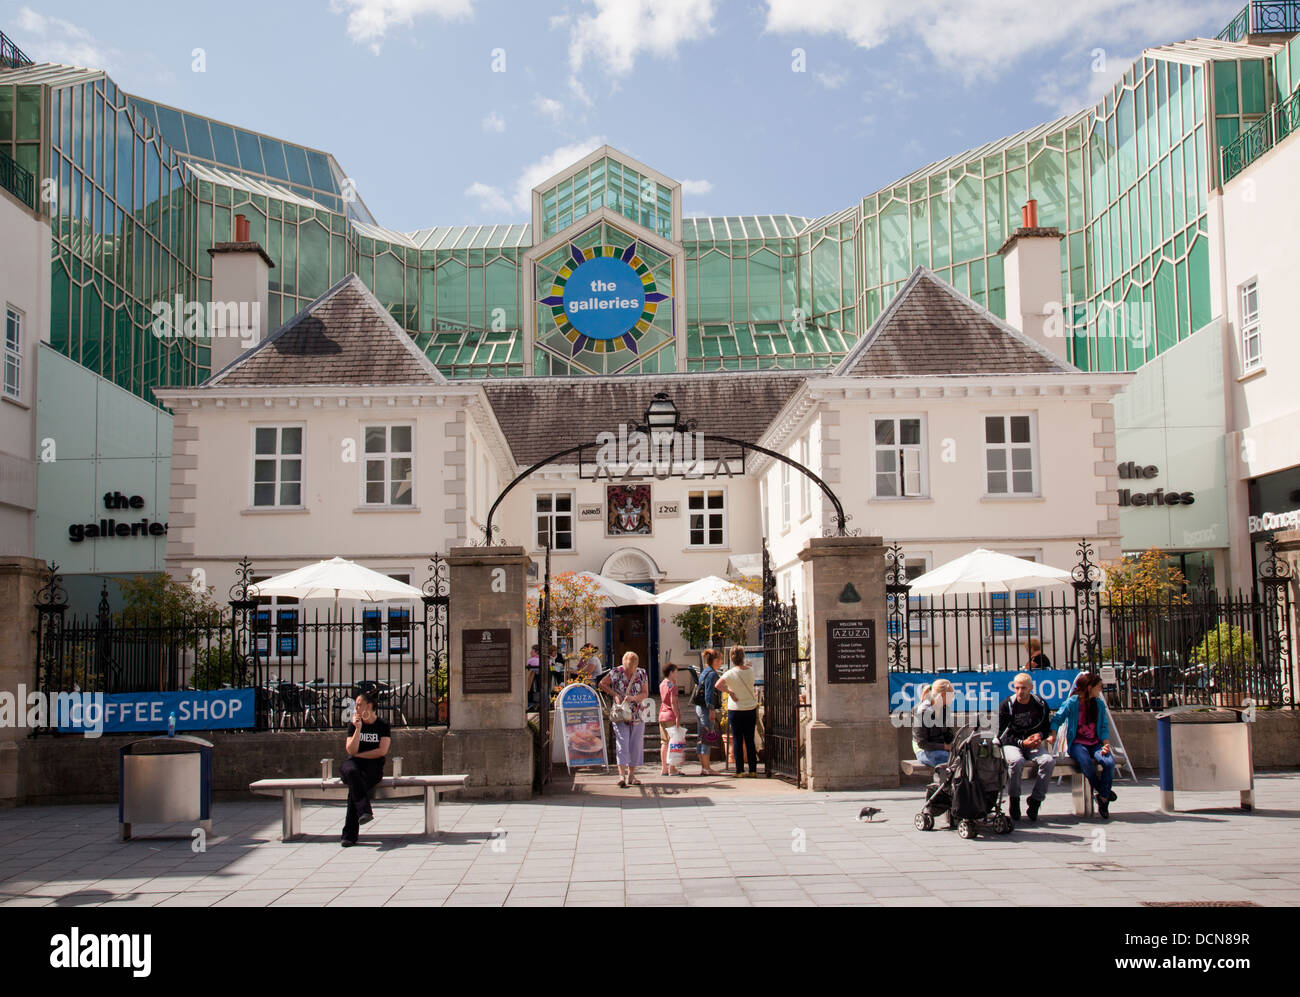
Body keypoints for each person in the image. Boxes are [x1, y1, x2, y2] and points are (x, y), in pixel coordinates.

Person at [1051, 672, 1117, 819]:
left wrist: (1106, 745)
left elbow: (1104, 727)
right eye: (1098, 687)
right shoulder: (1072, 702)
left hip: (1095, 743)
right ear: (1089, 687)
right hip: (1077, 743)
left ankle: (1103, 797)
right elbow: (1057, 719)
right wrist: (1053, 734)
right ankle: (1104, 792)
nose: (1100, 690)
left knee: (1109, 762)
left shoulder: (1098, 704)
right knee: (1085, 761)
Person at [998, 672, 1056, 822]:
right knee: (1017, 762)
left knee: (1048, 761)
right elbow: (1001, 735)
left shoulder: (1040, 704)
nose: (1020, 692)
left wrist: (1039, 736)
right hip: (1013, 744)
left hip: (1032, 744)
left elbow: (1045, 728)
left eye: (1023, 688)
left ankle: (1036, 800)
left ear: (1031, 688)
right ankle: (1015, 799)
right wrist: (1021, 743)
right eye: (1017, 688)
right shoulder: (1007, 705)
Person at [340, 685, 391, 847]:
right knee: (353, 773)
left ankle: (349, 835)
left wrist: (360, 755)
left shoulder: (382, 725)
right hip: (353, 764)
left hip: (373, 766)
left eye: (359, 704)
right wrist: (358, 729)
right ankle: (364, 811)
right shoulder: (354, 724)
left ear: (369, 706)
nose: (356, 708)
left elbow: (381, 751)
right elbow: (350, 750)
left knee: (356, 787)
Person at [600, 651, 649, 788]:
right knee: (622, 743)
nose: (629, 671)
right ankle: (621, 775)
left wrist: (633, 698)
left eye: (631, 668)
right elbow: (602, 684)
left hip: (637, 714)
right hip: (621, 714)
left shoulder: (642, 673)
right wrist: (615, 694)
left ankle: (631, 775)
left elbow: (645, 693)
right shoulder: (615, 672)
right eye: (627, 668)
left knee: (635, 745)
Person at [716, 647, 759, 778]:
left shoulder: (729, 673)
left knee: (737, 739)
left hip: (735, 709)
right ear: (743, 657)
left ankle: (739, 770)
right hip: (750, 708)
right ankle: (753, 770)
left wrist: (729, 692)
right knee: (750, 739)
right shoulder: (751, 671)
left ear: (731, 658)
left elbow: (718, 685)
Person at [912, 678, 954, 767]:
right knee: (949, 759)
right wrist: (945, 747)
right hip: (924, 751)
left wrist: (954, 743)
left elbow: (948, 735)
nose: (953, 697)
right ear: (942, 695)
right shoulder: (923, 712)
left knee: (964, 755)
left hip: (940, 748)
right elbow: (922, 743)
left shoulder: (945, 710)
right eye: (952, 694)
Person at [694, 649, 721, 776]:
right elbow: (709, 693)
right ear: (714, 660)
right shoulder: (712, 674)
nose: (720, 662)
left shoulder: (705, 671)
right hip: (705, 708)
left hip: (699, 707)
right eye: (719, 660)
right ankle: (706, 768)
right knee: (707, 737)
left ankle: (703, 766)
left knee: (701, 736)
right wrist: (711, 710)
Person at [658, 663, 682, 776]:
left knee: (664, 742)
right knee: (674, 742)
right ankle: (672, 768)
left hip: (662, 715)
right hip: (671, 715)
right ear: (671, 672)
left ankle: (664, 768)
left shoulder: (662, 684)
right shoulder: (672, 686)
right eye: (676, 672)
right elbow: (673, 702)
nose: (677, 674)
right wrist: (678, 716)